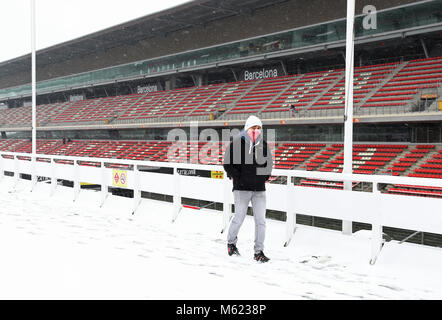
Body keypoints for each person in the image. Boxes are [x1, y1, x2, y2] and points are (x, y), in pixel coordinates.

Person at [223, 115, 273, 263]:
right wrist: (237, 177)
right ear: (247, 128)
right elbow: (227, 164)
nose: (256, 130)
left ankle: (259, 252)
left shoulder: (263, 145)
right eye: (253, 127)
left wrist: (264, 177)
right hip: (241, 189)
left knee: (261, 221)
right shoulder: (237, 143)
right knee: (239, 218)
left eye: (259, 128)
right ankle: (231, 243)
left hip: (259, 190)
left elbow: (269, 164)